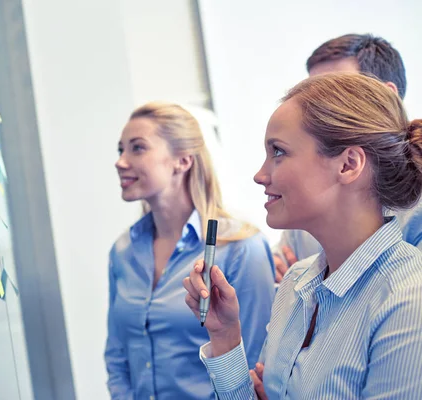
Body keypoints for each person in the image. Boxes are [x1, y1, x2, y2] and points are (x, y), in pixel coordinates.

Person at [185, 73, 422, 398]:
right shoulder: (295, 283)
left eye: (278, 152)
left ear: (348, 165)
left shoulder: (409, 300)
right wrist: (225, 335)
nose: (260, 174)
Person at [105, 102, 276, 399]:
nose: (121, 161)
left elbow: (255, 363)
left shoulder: (241, 249)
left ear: (183, 161)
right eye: (121, 150)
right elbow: (118, 356)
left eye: (137, 148)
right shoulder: (123, 251)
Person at [273, 33, 422, 283]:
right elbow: (285, 263)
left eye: (335, 94)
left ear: (387, 95)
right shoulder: (309, 193)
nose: (316, 109)